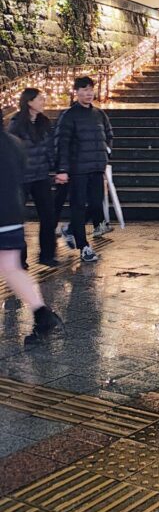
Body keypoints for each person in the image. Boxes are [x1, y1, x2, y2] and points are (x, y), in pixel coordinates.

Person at [0, 117, 62, 345]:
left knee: (10, 267)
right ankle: (42, 314)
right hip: (12, 215)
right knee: (11, 268)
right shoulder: (15, 143)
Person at [54, 76, 113, 263]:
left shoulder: (99, 113)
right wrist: (62, 169)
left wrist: (106, 153)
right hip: (77, 169)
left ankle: (71, 229)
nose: (88, 93)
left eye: (90, 89)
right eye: (84, 89)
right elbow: (62, 143)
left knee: (96, 204)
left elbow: (109, 134)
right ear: (76, 92)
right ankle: (84, 247)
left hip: (96, 167)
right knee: (78, 207)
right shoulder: (69, 115)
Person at [8, 88, 58, 267]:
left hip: (41, 175)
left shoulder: (44, 122)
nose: (43, 101)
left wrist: (56, 167)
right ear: (29, 102)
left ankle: (47, 255)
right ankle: (20, 259)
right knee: (18, 217)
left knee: (48, 216)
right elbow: (11, 148)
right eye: (40, 99)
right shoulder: (16, 124)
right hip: (22, 177)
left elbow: (50, 147)